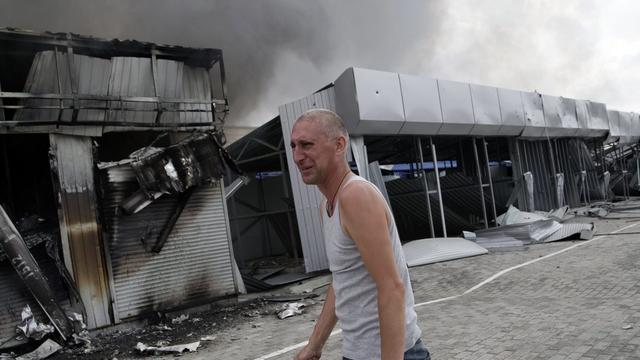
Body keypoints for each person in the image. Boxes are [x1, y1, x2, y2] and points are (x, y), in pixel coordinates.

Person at [290, 109, 429, 360]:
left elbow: (392, 287)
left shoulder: (356, 196)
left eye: (306, 145)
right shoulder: (328, 206)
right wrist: (315, 345)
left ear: (339, 145)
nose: (298, 156)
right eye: (293, 146)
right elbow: (342, 280)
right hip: (358, 353)